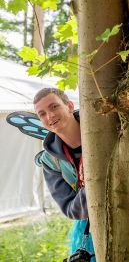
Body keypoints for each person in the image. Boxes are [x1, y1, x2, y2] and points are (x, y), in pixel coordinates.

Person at [33, 88, 95, 261]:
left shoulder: (102, 128)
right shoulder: (49, 161)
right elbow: (69, 208)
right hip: (92, 230)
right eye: (42, 114)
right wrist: (91, 185)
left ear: (69, 105)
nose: (50, 116)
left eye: (54, 107)